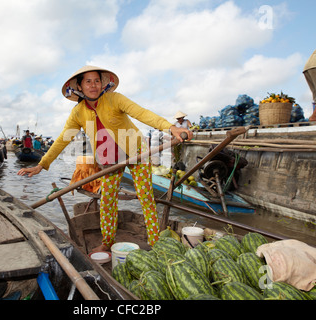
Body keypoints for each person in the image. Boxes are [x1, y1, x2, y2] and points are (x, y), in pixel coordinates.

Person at [17, 66, 191, 252]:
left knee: (145, 197)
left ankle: (155, 243)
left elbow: (142, 113)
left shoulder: (114, 99)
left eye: (97, 81)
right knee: (107, 200)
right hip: (110, 158)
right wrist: (42, 164)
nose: (93, 85)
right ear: (80, 87)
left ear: (102, 83)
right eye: (88, 81)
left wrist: (170, 128)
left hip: (136, 151)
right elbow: (63, 139)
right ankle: (107, 243)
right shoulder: (78, 112)